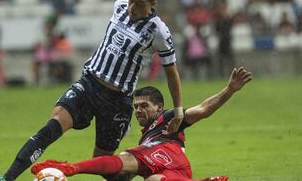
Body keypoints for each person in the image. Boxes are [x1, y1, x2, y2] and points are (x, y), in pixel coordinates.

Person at [0, 0, 184, 181]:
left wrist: (178, 111)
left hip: (116, 102)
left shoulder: (159, 31)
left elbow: (172, 73)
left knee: (103, 165)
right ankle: (5, 178)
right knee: (50, 129)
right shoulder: (119, 7)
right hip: (89, 85)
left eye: (139, 3)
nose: (131, 6)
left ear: (152, 4)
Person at [31, 67, 252, 181]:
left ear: (158, 107)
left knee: (127, 158)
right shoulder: (146, 136)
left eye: (144, 106)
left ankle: (70, 168)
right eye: (136, 107)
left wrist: (230, 89)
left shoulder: (168, 119)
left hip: (169, 156)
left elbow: (203, 109)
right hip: (173, 174)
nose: (138, 110)